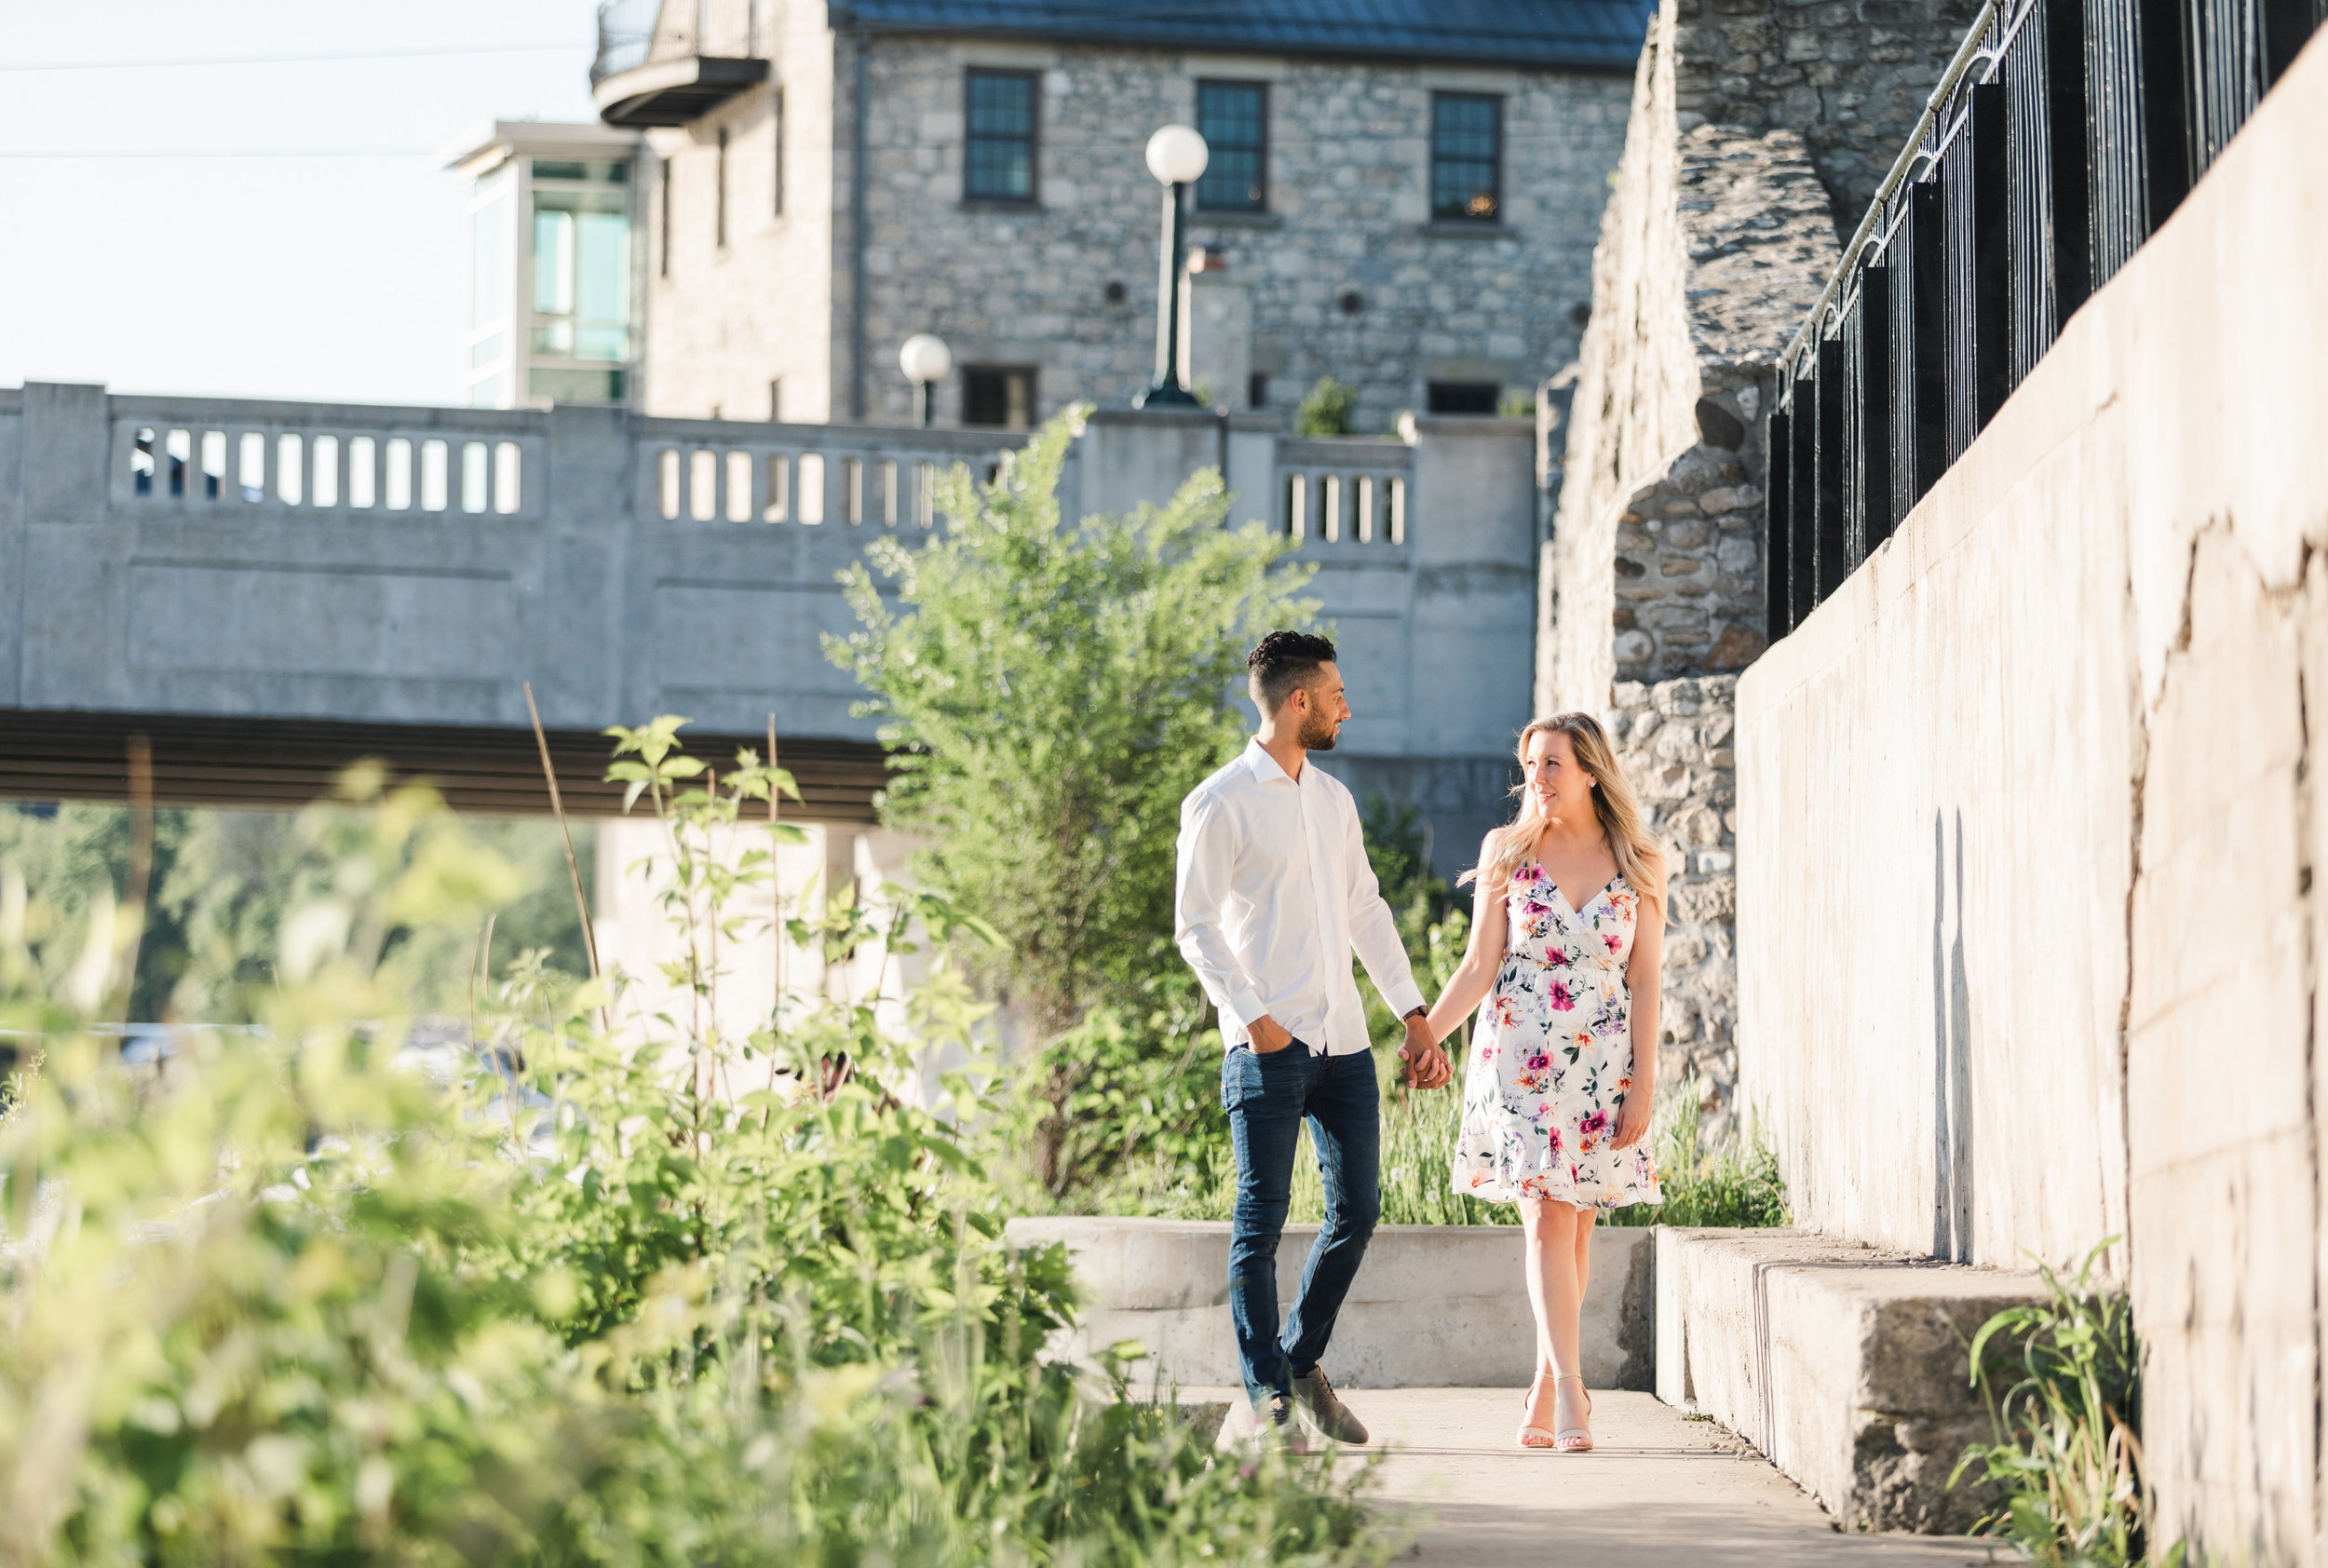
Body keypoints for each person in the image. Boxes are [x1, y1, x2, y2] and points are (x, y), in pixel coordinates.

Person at [1174, 630, 1454, 1450]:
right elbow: (1194, 927)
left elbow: (1366, 910)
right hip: (1265, 1046)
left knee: (1357, 1211)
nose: (1346, 707)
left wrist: (1413, 1014)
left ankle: (1299, 1359)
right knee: (1260, 1222)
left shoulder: (1333, 801)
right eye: (1335, 695)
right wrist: (1253, 1018)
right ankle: (1268, 1397)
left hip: (1343, 1047)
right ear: (1300, 701)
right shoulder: (1219, 801)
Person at [1424, 714, 1664, 1452]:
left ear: (1590, 769)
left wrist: (1643, 1084)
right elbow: (1477, 966)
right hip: (1520, 1060)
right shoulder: (1507, 851)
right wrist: (1423, 1034)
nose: (1537, 777)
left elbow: (1647, 979)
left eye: (1552, 763)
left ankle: (1539, 1389)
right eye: (1530, 764)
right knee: (1548, 1220)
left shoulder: (1640, 861)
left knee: (1579, 1221)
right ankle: (1572, 1396)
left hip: (1600, 1070)